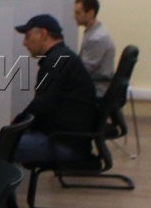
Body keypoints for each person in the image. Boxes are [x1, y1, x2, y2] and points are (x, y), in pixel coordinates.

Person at [10, 14, 100, 166]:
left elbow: (42, 105)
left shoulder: (56, 62)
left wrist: (15, 125)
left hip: (62, 144)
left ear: (43, 34)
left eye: (27, 36)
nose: (24, 43)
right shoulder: (62, 57)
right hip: (71, 141)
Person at [73, 0, 116, 96]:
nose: (74, 16)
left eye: (78, 13)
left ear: (90, 13)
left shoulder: (96, 38)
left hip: (97, 89)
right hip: (94, 85)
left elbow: (85, 70)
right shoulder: (93, 33)